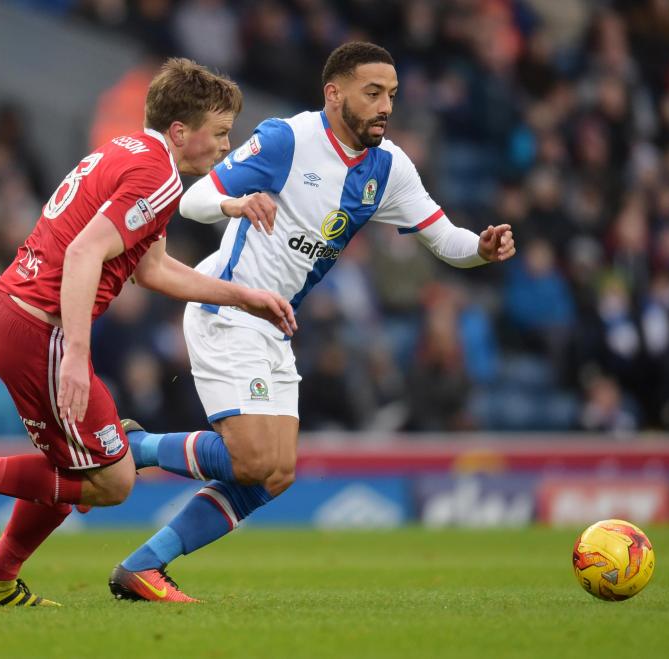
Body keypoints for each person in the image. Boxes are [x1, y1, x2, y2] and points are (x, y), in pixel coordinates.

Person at [108, 42, 516, 603]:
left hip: (277, 324)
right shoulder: (288, 139)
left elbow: (446, 239)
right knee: (251, 459)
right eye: (372, 93)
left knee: (274, 475)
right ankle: (137, 449)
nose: (384, 106)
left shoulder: (388, 167)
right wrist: (237, 203)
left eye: (391, 95)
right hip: (227, 308)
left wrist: (481, 248)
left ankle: (142, 566)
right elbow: (194, 199)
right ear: (334, 92)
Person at [0, 58, 297, 607]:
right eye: (222, 132)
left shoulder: (130, 153)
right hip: (41, 327)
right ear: (181, 131)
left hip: (14, 313)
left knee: (76, 470)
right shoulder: (156, 175)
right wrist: (74, 356)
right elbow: (85, 250)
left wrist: (245, 296)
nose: (226, 148)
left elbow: (152, 270)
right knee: (112, 482)